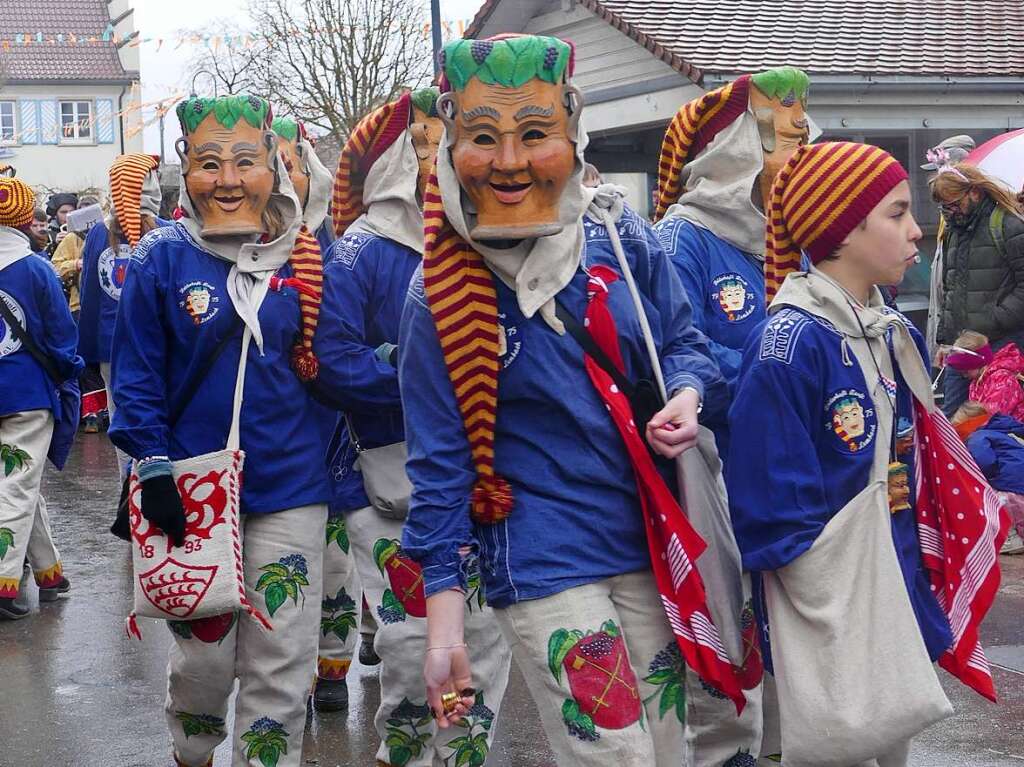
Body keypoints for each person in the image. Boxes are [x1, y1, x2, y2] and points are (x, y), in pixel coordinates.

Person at [399, 35, 732, 767]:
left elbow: (685, 341)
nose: (511, 161)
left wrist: (686, 393)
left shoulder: (620, 238)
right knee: (614, 751)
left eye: (536, 134)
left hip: (643, 536)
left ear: (572, 131)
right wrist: (445, 631)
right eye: (484, 138)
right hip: (541, 555)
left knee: (670, 743)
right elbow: (441, 463)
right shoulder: (438, 294)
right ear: (451, 143)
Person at [729, 141, 1006, 765]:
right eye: (897, 213)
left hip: (890, 565)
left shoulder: (889, 330)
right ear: (842, 227)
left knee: (892, 730)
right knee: (841, 737)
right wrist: (822, 591)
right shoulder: (788, 344)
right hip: (832, 589)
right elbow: (769, 498)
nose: (917, 230)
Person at [109, 94, 332, 767]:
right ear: (187, 171)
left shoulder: (306, 257)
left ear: (272, 165)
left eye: (244, 161)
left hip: (291, 485)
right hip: (190, 486)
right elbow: (136, 375)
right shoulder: (160, 258)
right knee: (205, 656)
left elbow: (339, 362)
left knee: (282, 661)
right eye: (210, 163)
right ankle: (192, 748)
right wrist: (152, 467)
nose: (228, 179)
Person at [313, 86, 513, 764]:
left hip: (481, 471)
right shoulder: (362, 252)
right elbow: (329, 362)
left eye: (444, 140)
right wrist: (420, 368)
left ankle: (462, 753)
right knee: (406, 641)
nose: (437, 155)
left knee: (482, 633)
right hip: (386, 476)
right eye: (422, 141)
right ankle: (403, 753)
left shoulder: (480, 237)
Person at [651, 67, 813, 766]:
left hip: (789, 464)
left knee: (792, 613)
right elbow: (671, 354)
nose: (796, 156)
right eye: (779, 139)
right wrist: (770, 373)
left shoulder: (804, 234)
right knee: (725, 615)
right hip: (710, 461)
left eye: (803, 136)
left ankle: (784, 743)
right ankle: (724, 750)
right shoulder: (682, 239)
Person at [271, 115, 359, 713]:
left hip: (334, 426)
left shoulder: (343, 248)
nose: (280, 177)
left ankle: (333, 662)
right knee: (286, 563)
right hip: (274, 436)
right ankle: (283, 674)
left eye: (290, 164)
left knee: (337, 556)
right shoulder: (239, 251)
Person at [0, 177, 83, 619]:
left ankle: (49, 573)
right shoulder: (34, 268)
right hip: (26, 395)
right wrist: (69, 370)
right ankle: (3, 583)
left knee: (20, 482)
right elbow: (60, 335)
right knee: (16, 484)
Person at [79, 154, 167, 477]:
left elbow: (90, 294)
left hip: (110, 346)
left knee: (122, 420)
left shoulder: (97, 236)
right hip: (159, 345)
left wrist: (86, 349)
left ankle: (129, 490)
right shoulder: (168, 233)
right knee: (160, 415)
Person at [929, 162, 1024, 416]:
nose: (948, 212)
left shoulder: (1008, 225)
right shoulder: (953, 231)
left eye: (954, 204)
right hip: (962, 346)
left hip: (1001, 345)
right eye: (943, 207)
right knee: (952, 420)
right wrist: (945, 341)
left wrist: (992, 320)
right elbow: (949, 289)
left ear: (974, 193)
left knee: (990, 423)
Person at [957, 405, 1024, 554]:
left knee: (983, 497)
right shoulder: (1004, 432)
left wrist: (985, 478)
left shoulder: (978, 437)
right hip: (1019, 485)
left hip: (1013, 489)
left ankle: (1010, 538)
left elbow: (984, 462)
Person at [945, 329, 1024, 422]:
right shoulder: (977, 382)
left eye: (966, 371)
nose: (964, 375)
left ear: (977, 363)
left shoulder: (1003, 380)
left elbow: (992, 419)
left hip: (1012, 431)